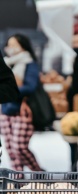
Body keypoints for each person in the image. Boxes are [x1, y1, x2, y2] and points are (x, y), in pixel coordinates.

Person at [0, 33, 43, 171]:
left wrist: (12, 89)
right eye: (9, 45)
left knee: (19, 147)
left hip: (22, 109)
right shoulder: (6, 62)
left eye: (15, 45)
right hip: (6, 110)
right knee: (10, 149)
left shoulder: (29, 63)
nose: (10, 48)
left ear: (23, 46)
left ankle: (39, 174)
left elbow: (30, 86)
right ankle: (18, 181)